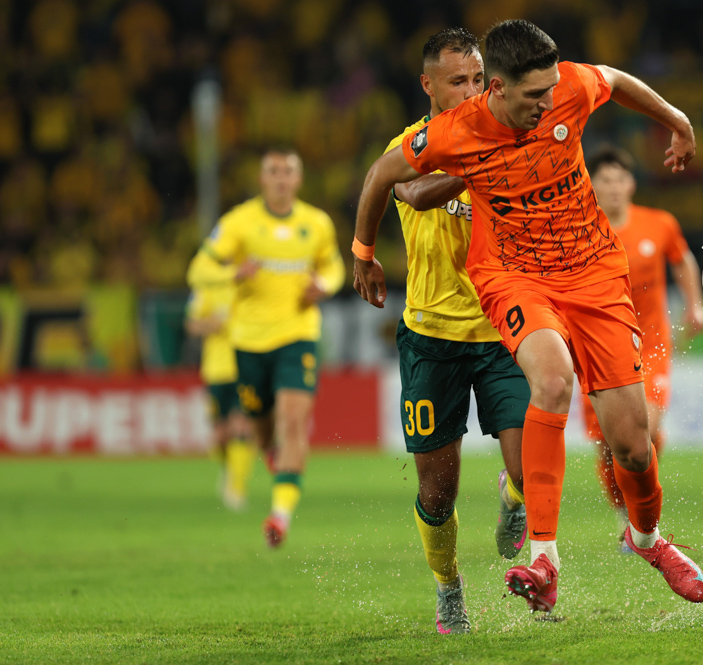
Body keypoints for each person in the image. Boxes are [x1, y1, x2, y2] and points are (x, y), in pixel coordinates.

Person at [353, 19, 703, 612]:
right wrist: (363, 252)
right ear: (497, 89)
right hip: (513, 277)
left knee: (633, 446)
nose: (547, 103)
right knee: (552, 379)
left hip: (593, 273)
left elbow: (615, 80)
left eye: (550, 91)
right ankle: (542, 555)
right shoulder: (455, 131)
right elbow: (385, 176)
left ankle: (646, 539)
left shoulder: (567, 87)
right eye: (533, 96)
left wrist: (678, 121)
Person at [384, 28, 531, 635]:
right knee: (438, 494)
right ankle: (449, 588)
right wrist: (479, 164)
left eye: (478, 79)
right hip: (432, 340)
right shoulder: (410, 146)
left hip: (502, 332)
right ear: (428, 85)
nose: (471, 91)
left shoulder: (512, 139)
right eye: (457, 81)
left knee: (530, 468)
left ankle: (514, 498)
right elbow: (411, 191)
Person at [187, 146, 345, 548]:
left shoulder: (317, 223)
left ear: (299, 179)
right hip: (248, 341)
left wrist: (323, 285)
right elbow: (198, 269)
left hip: (298, 335)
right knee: (260, 426)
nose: (281, 178)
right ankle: (273, 455)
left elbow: (333, 265)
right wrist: (232, 274)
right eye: (273, 171)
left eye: (288, 171)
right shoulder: (239, 223)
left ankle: (280, 516)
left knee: (293, 419)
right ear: (262, 179)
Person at [579, 145, 703, 550]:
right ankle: (627, 517)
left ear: (631, 184)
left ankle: (641, 522)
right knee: (609, 444)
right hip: (596, 347)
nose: (614, 187)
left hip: (650, 345)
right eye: (605, 180)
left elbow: (682, 260)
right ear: (592, 186)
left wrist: (694, 305)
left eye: (620, 179)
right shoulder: (578, 227)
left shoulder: (659, 224)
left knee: (645, 430)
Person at [184, 261, 255, 510]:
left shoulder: (251, 285)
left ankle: (237, 489)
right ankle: (228, 469)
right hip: (216, 370)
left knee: (242, 426)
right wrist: (213, 325)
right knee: (221, 435)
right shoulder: (208, 286)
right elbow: (191, 324)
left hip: (245, 367)